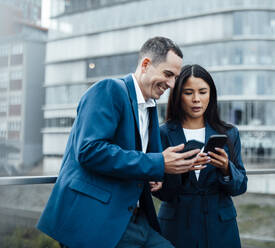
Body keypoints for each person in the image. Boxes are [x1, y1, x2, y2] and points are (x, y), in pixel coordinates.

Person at [37, 37, 208, 248]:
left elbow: (145, 160)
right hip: (97, 220)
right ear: (145, 65)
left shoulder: (151, 108)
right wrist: (157, 164)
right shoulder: (109, 89)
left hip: (135, 220)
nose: (172, 84)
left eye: (175, 77)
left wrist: (155, 175)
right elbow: (89, 150)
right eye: (168, 74)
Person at [153, 64, 248, 248]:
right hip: (177, 227)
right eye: (188, 93)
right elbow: (161, 192)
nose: (196, 99)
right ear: (178, 95)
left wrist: (226, 168)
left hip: (220, 227)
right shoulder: (162, 133)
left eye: (203, 92)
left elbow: (240, 186)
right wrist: (181, 169)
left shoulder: (229, 133)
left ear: (210, 95)